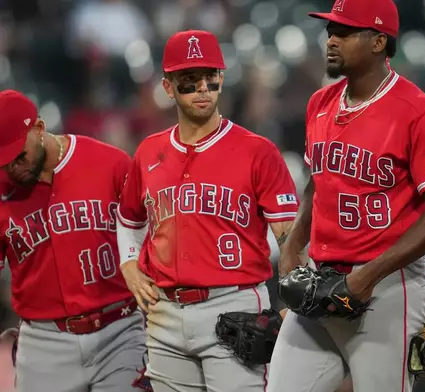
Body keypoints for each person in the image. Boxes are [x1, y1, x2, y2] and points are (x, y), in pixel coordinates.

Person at [267, 0, 425, 390]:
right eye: (330, 31)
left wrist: (370, 275)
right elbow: (317, 180)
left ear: (378, 42)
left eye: (344, 31)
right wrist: (293, 242)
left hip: (388, 287)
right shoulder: (320, 103)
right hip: (322, 282)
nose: (331, 40)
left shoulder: (419, 113)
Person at [116, 29, 299, 392]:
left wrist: (293, 306)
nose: (202, 88)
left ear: (221, 79)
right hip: (164, 314)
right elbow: (129, 220)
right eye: (189, 81)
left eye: (210, 78)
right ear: (168, 87)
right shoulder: (149, 152)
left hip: (234, 306)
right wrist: (130, 265)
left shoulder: (257, 151)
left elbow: (290, 237)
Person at [0, 90, 147, 392]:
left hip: (119, 331)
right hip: (44, 344)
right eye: (3, 163)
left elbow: (151, 242)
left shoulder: (111, 164)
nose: (12, 168)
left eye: (18, 156)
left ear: (39, 129)